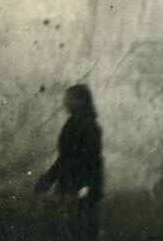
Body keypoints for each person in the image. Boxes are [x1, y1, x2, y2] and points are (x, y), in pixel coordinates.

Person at [34, 84, 103, 241]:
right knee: (67, 231)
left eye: (69, 99)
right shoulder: (71, 124)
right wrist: (46, 181)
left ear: (81, 101)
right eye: (66, 99)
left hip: (81, 191)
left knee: (81, 233)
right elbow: (64, 158)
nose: (65, 103)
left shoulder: (89, 126)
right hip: (68, 187)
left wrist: (85, 189)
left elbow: (92, 161)